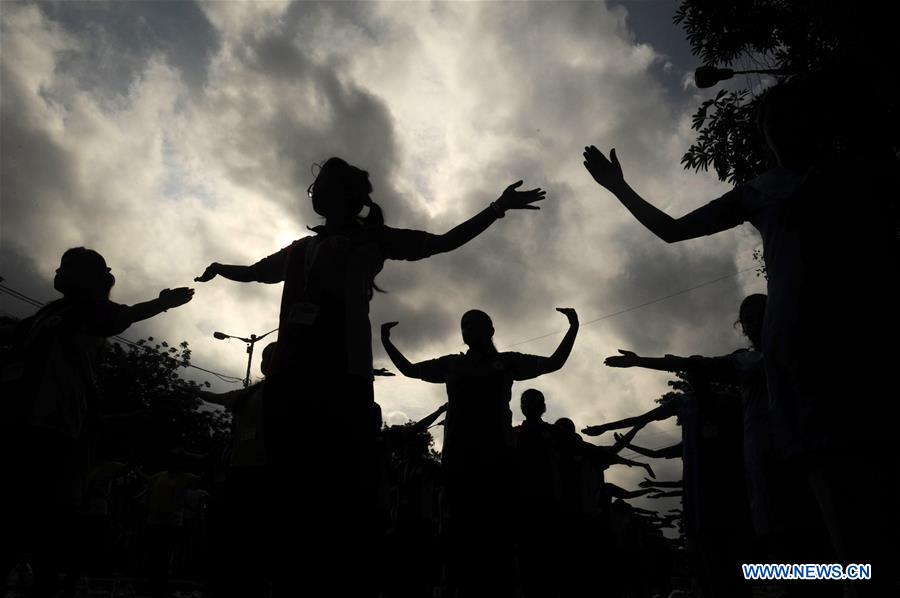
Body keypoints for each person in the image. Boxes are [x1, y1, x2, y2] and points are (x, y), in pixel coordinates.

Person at [584, 76, 898, 594]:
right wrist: (618, 188)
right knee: (834, 509)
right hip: (800, 359)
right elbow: (672, 229)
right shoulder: (760, 191)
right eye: (772, 122)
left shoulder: (860, 174)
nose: (783, 129)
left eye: (794, 116)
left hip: (864, 345)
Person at [195, 157, 546, 596]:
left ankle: (342, 577)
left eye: (321, 185)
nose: (315, 193)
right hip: (292, 379)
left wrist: (496, 208)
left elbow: (442, 242)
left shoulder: (373, 239)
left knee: (340, 491)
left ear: (346, 195)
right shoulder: (298, 250)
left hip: (344, 375)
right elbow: (254, 273)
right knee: (289, 487)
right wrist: (219, 269)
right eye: (313, 189)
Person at [0, 247, 193, 598]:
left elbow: (129, 314)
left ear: (88, 279)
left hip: (54, 423)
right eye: (59, 267)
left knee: (42, 512)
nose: (58, 273)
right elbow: (13, 333)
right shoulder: (51, 312)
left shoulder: (92, 312)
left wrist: (163, 303)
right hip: (22, 417)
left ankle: (46, 583)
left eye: (67, 268)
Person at [381, 308, 578, 598]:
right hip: (458, 461)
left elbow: (554, 363)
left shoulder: (507, 362)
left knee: (497, 536)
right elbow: (410, 369)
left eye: (476, 324)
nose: (469, 329)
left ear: (491, 330)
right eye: (465, 325)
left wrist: (573, 327)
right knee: (457, 534)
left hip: (497, 460)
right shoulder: (450, 365)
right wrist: (386, 341)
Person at [199, 342, 275, 598]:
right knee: (237, 538)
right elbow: (219, 398)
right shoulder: (248, 395)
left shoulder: (295, 394)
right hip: (241, 471)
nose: (271, 364)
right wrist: (195, 392)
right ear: (263, 366)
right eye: (268, 359)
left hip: (266, 473)